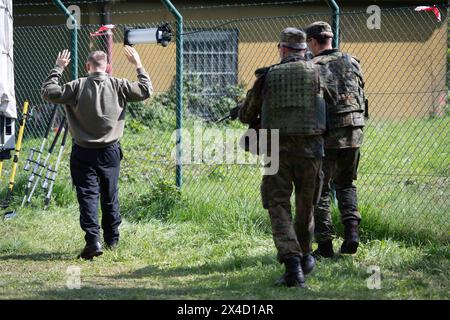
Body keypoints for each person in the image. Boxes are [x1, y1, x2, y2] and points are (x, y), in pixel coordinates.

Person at [42, 46, 152, 259]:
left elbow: (48, 92)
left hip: (83, 151)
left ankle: (93, 240)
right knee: (110, 195)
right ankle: (112, 239)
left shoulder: (76, 86)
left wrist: (58, 67)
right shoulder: (119, 85)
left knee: (87, 196)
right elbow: (146, 90)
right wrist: (138, 64)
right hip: (110, 151)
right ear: (108, 67)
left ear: (87, 67)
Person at [238, 28, 326, 287]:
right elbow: (329, 109)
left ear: (282, 49)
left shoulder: (267, 77)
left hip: (277, 151)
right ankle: (306, 254)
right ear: (304, 50)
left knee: (278, 206)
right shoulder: (319, 72)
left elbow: (247, 114)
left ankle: (293, 266)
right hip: (312, 151)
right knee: (306, 205)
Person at [305, 21, 366, 258]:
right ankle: (352, 234)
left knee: (319, 191)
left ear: (312, 41)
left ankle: (325, 246)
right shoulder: (353, 61)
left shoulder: (312, 66)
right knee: (346, 183)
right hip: (355, 130)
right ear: (330, 38)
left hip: (328, 135)